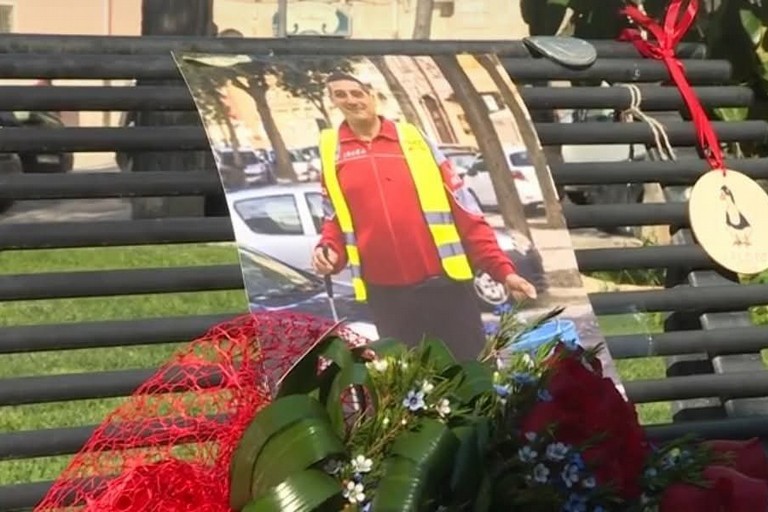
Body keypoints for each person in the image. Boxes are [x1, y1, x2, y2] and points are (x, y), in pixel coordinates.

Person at [311, 72, 537, 360]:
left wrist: (504, 272)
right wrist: (328, 251)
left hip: (446, 287)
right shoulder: (331, 150)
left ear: (372, 95)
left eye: (357, 92)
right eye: (340, 94)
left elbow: (466, 212)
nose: (351, 100)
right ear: (332, 100)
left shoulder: (413, 140)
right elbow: (333, 219)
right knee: (410, 381)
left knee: (474, 373)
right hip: (388, 297)